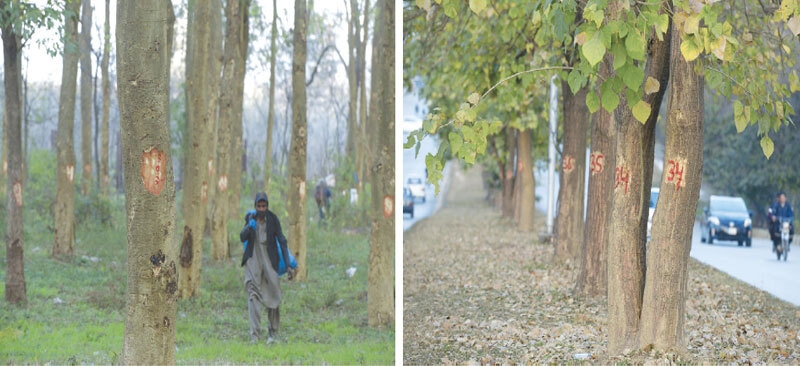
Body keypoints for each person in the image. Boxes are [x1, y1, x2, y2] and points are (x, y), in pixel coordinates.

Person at [240, 192, 295, 344]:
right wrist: (249, 229)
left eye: (264, 206)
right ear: (255, 206)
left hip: (269, 260)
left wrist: (288, 265)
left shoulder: (273, 219)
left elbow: (282, 241)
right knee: (253, 295)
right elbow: (242, 237)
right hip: (253, 260)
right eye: (259, 206)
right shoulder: (250, 218)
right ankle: (255, 335)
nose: (261, 208)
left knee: (274, 295)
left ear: (267, 207)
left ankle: (273, 332)